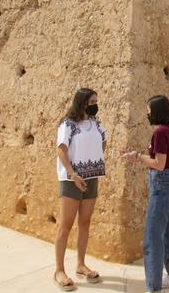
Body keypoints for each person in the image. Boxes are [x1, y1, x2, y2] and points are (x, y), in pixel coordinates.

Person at [122, 95, 169, 292]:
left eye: (149, 110)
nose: (147, 114)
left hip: (162, 186)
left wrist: (138, 157)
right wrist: (138, 156)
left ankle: (153, 287)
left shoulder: (160, 133)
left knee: (151, 237)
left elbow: (159, 164)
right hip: (168, 183)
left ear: (156, 111)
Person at [54, 88, 106, 291]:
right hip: (71, 180)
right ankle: (59, 270)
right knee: (65, 226)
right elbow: (61, 149)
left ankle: (80, 264)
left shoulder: (96, 124)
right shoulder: (68, 124)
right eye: (92, 101)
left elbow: (103, 142)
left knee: (85, 223)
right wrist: (73, 173)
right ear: (82, 102)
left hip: (92, 178)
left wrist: (93, 162)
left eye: (96, 101)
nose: (95, 104)